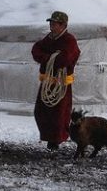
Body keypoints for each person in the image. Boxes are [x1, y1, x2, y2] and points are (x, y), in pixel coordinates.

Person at [31, 10, 81, 150]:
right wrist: (50, 58)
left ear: (63, 25)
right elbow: (36, 50)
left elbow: (64, 60)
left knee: (59, 114)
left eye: (54, 23)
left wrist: (47, 58)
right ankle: (49, 137)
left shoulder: (69, 40)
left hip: (61, 84)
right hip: (47, 82)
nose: (51, 26)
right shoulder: (49, 38)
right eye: (51, 23)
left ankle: (56, 140)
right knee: (41, 111)